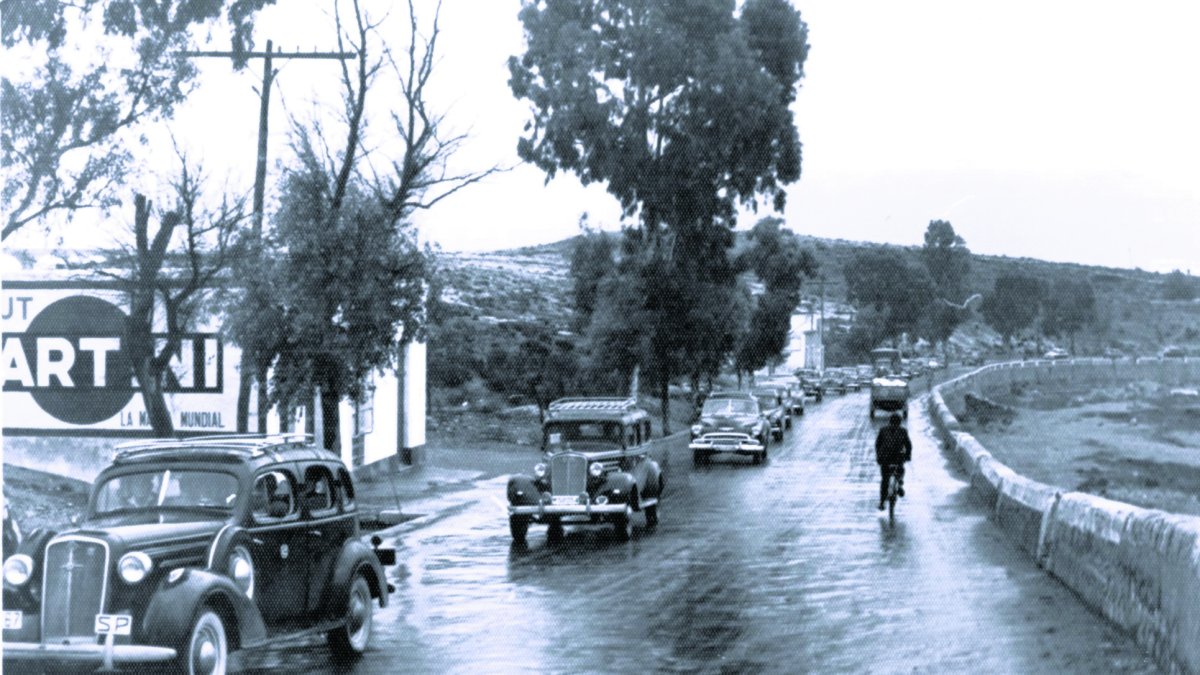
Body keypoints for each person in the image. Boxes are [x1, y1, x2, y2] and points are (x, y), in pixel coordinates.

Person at [875, 413, 912, 510]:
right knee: (900, 470)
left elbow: (878, 445)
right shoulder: (903, 431)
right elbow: (908, 445)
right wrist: (908, 456)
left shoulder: (883, 430)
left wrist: (878, 456)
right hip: (898, 458)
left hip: (885, 459)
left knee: (884, 480)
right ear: (899, 423)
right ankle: (899, 484)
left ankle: (882, 502)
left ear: (889, 422)